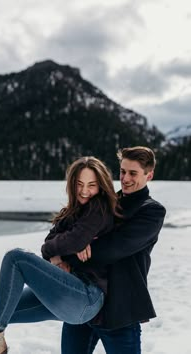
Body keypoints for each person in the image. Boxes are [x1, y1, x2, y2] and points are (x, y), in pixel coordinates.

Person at [0, 156, 118, 354]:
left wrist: (68, 246)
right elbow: (48, 245)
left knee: (15, 258)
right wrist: (59, 254)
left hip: (85, 297)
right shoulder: (72, 213)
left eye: (91, 185)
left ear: (101, 186)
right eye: (79, 184)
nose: (85, 191)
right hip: (62, 290)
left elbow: (71, 241)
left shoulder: (98, 207)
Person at [61, 146, 166, 354]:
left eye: (133, 173)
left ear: (149, 175)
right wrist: (59, 253)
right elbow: (65, 231)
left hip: (120, 311)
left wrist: (71, 253)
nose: (125, 178)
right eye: (122, 171)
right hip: (83, 302)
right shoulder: (104, 201)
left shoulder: (151, 211)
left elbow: (111, 250)